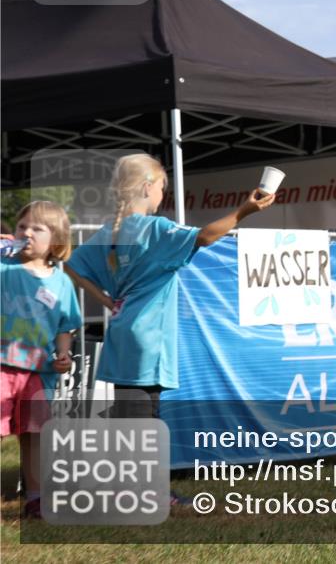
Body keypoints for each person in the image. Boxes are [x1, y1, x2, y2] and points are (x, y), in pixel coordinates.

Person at [64, 154, 274, 505]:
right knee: (144, 415)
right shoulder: (155, 230)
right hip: (150, 338)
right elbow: (206, 237)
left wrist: (106, 299)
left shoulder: (109, 232)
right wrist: (242, 212)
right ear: (147, 187)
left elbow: (72, 266)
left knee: (129, 413)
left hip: (123, 333)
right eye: (162, 187)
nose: (163, 195)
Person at [1, 202, 82, 518]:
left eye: (37, 228)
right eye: (22, 226)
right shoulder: (4, 265)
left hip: (38, 370)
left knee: (34, 435)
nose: (27, 233)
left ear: (57, 242)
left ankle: (36, 497)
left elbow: (66, 326)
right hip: (2, 364)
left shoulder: (62, 283)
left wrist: (64, 354)